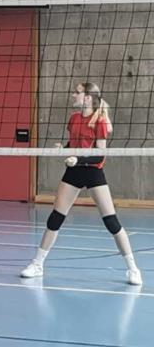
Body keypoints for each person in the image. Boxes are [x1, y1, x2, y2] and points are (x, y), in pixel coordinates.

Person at [20, 83, 142, 285]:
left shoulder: (99, 121)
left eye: (77, 92)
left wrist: (78, 159)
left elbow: (100, 156)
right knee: (55, 219)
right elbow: (73, 145)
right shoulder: (74, 119)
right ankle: (37, 264)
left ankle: (133, 269)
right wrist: (63, 149)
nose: (73, 95)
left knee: (112, 222)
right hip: (74, 172)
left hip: (93, 172)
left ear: (87, 97)